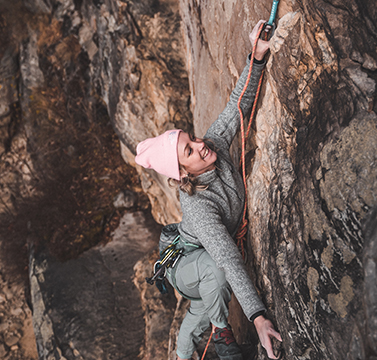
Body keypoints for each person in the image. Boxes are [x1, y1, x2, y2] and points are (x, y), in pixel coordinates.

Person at [135, 20, 282, 360]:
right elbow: (228, 257)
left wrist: (256, 57)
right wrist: (258, 317)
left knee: (195, 319)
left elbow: (236, 106)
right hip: (185, 266)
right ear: (182, 172)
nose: (201, 145)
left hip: (201, 270)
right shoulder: (198, 205)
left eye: (192, 138)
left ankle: (181, 356)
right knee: (216, 271)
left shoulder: (212, 143)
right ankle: (223, 337)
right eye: (189, 151)